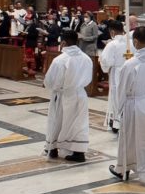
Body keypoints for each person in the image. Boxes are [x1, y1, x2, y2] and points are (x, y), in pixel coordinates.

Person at [109, 27, 145, 189]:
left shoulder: (130, 64)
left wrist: (117, 111)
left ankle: (124, 169)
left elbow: (122, 89)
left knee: (129, 138)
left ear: (135, 42)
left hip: (134, 104)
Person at [42, 29, 92, 162]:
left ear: (63, 42)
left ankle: (52, 148)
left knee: (56, 121)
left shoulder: (60, 60)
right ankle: (78, 152)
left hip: (63, 94)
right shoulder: (86, 58)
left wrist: (50, 86)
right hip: (80, 93)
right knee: (78, 123)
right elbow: (89, 78)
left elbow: (49, 81)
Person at [99, 20, 128, 133]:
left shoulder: (112, 44)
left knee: (116, 97)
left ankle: (117, 123)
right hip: (128, 72)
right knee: (126, 97)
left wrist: (104, 65)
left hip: (116, 73)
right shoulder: (130, 42)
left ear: (112, 32)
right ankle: (124, 120)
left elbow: (106, 61)